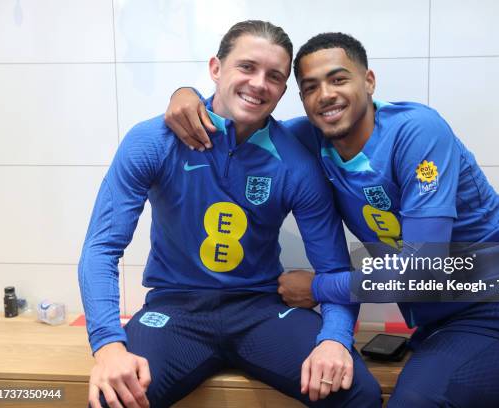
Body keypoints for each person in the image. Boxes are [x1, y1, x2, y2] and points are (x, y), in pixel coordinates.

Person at [165, 32, 499, 407]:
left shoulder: (417, 130)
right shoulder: (304, 139)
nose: (326, 95)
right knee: (414, 401)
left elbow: (422, 270)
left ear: (368, 81)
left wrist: (317, 286)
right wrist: (184, 95)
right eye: (311, 86)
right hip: (463, 321)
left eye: (339, 79)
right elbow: (239, 120)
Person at [79, 22, 382, 408]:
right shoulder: (153, 141)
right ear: (215, 68)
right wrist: (107, 345)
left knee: (357, 391)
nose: (259, 83)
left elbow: (334, 268)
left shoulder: (296, 162)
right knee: (112, 398)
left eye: (274, 76)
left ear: (283, 92)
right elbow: (101, 249)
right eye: (247, 67)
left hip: (261, 310)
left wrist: (336, 339)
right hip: (175, 311)